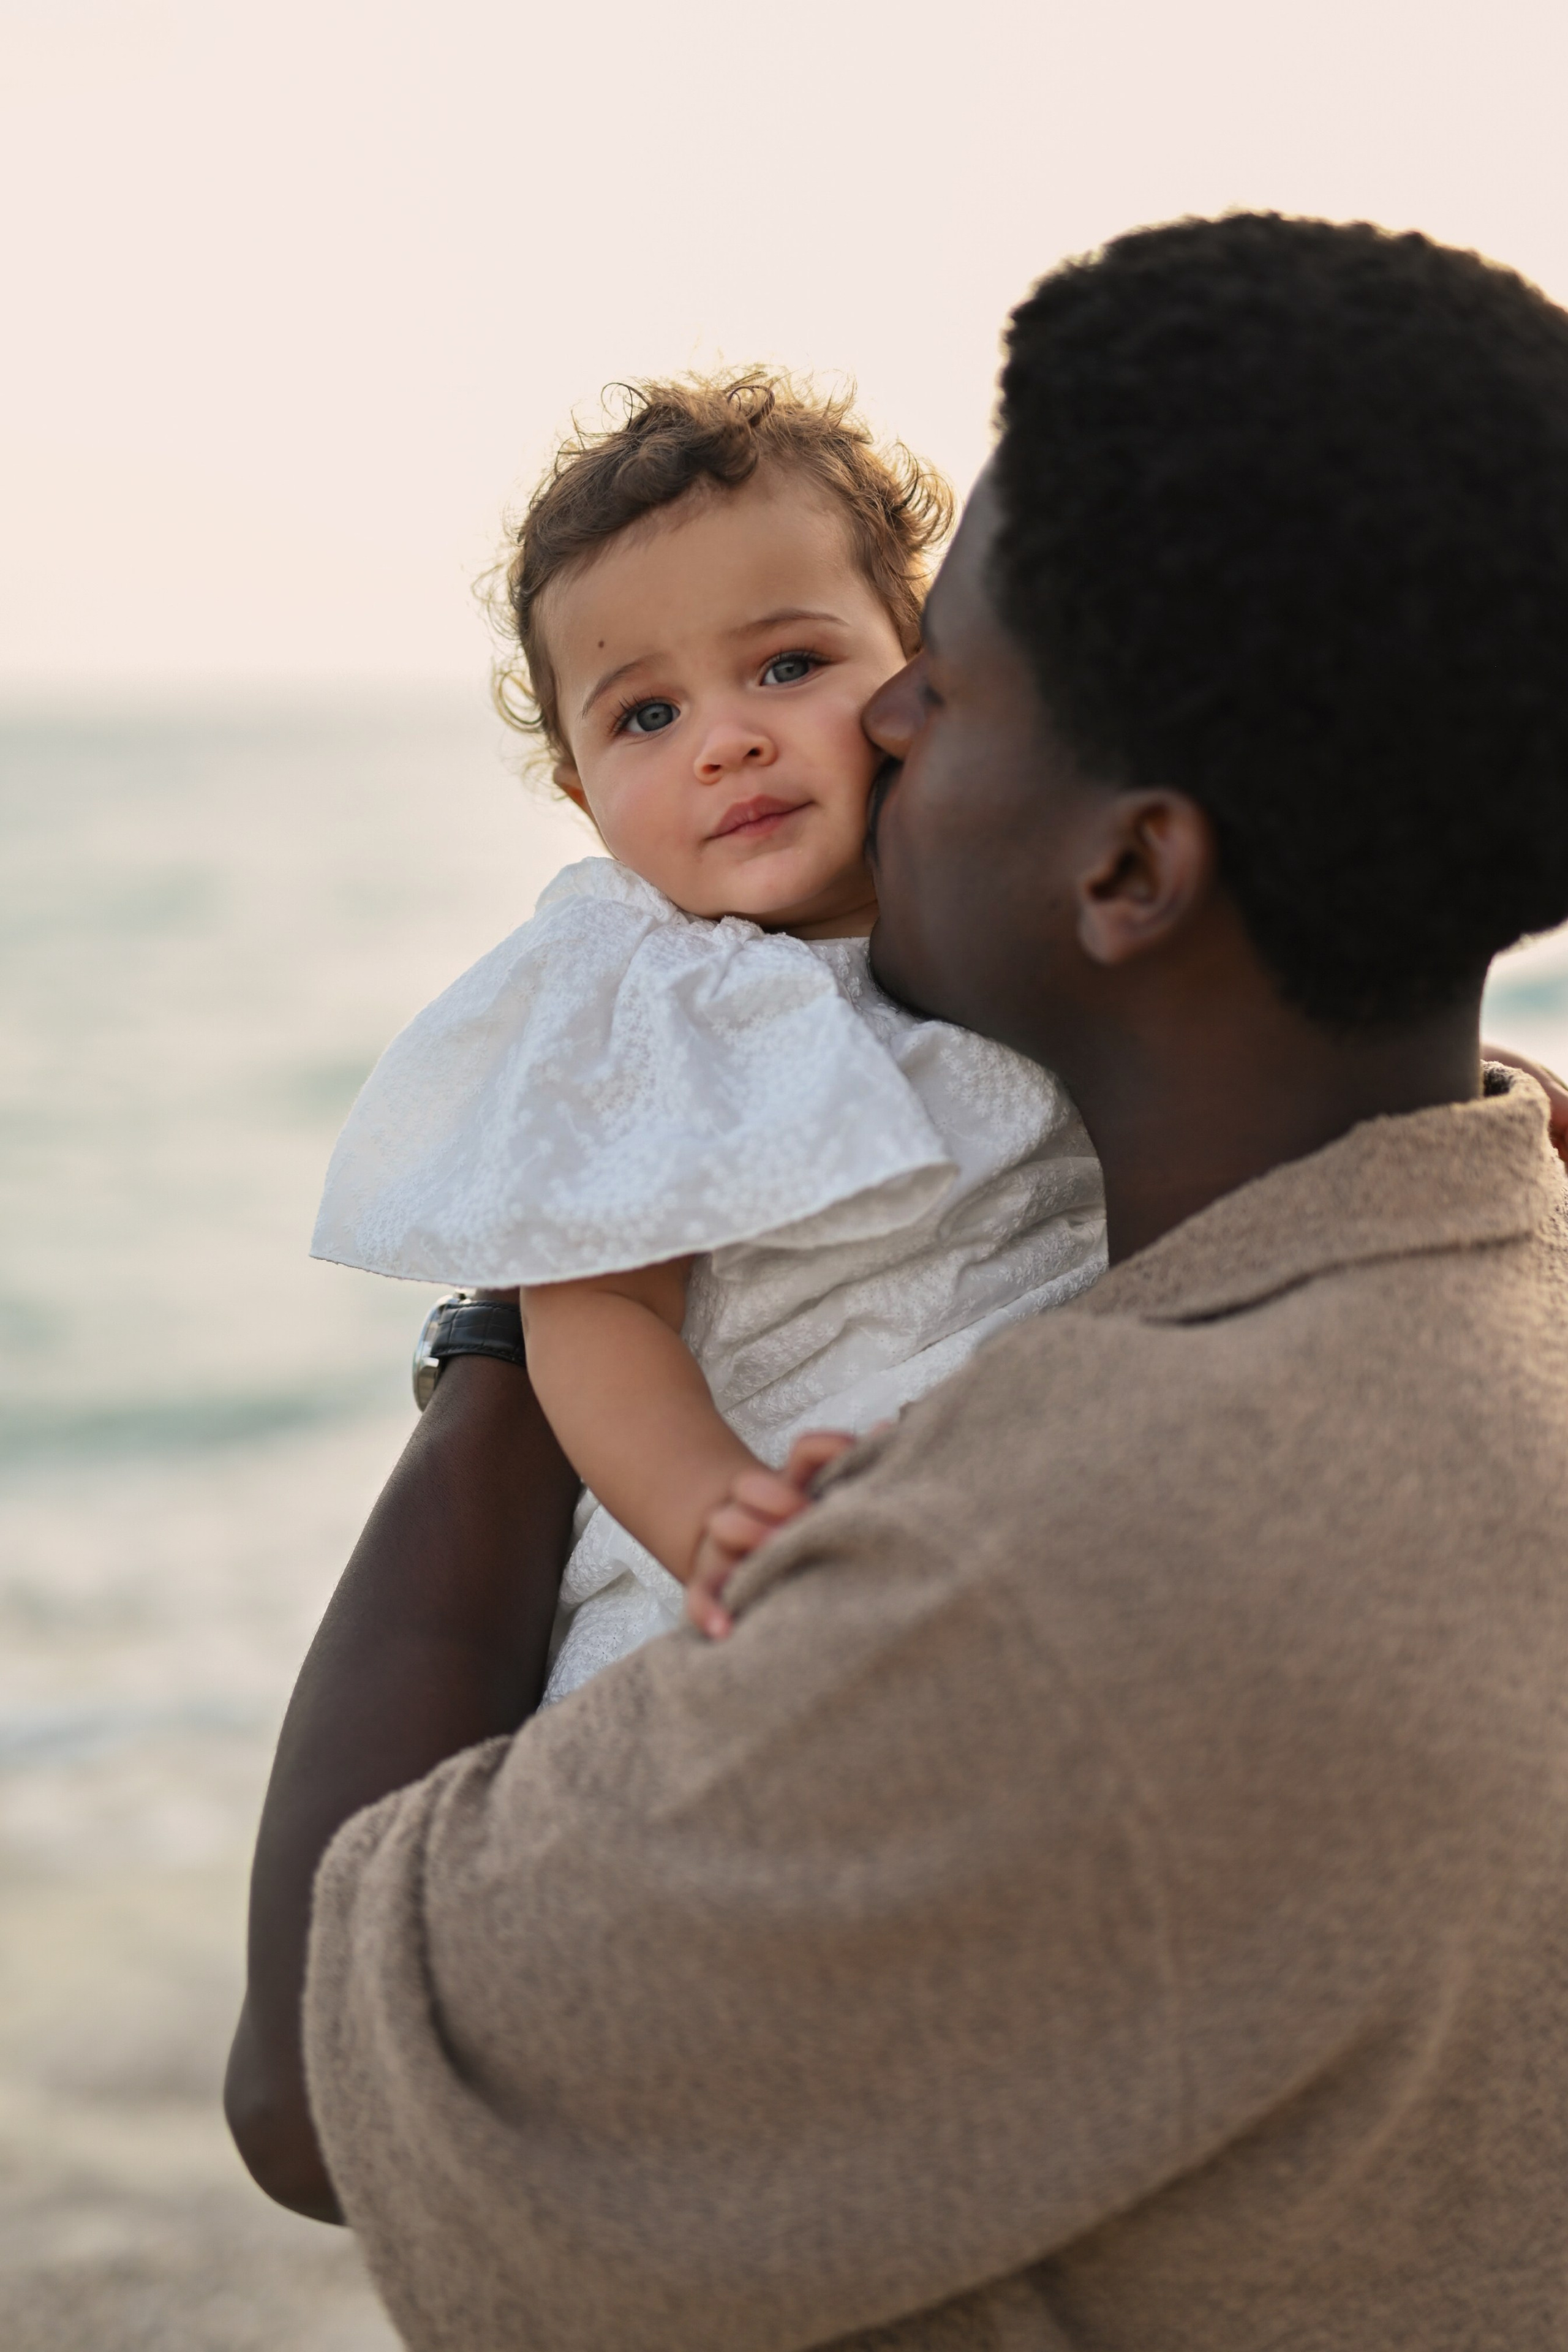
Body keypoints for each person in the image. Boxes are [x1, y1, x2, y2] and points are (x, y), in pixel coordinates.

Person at [229, 214, 1568, 2350]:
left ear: (1129, 869)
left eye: (915, 664)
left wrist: (494, 1329)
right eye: (649, 709)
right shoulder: (1482, 1244)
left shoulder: (1041, 1591)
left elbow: (323, 2078)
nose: (872, 721)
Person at [311, 376, 1106, 1700]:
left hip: (1066, 1480)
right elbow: (598, 1306)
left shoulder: (1017, 890)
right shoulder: (652, 991)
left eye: (787, 668)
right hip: (762, 1557)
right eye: (645, 717)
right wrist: (713, 1518)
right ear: (580, 791)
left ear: (914, 664)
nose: (726, 742)